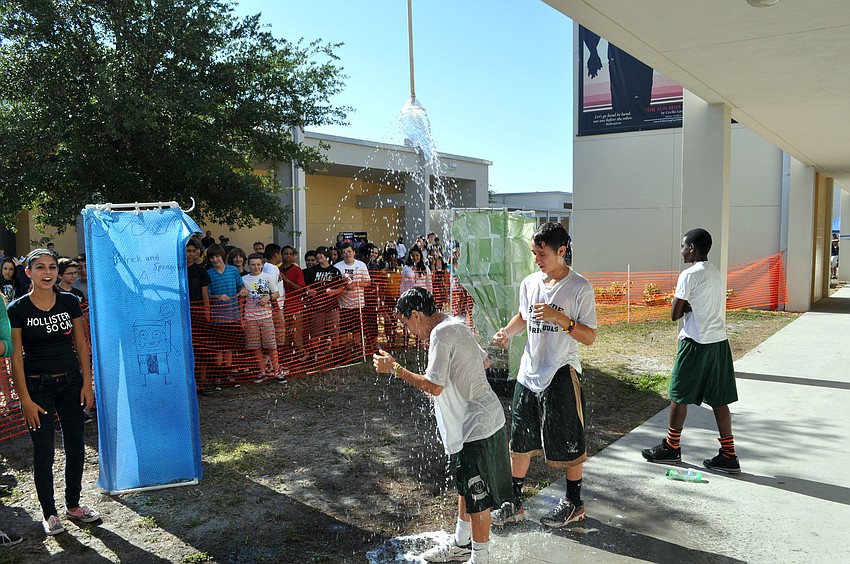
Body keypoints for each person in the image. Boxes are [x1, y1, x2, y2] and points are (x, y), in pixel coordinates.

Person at [373, 287, 511, 564]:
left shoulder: (440, 333)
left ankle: (481, 559)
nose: (410, 330)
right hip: (478, 420)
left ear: (416, 314)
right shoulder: (454, 323)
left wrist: (396, 368)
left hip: (477, 426)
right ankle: (461, 546)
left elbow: (435, 386)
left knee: (477, 496)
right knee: (466, 487)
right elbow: (482, 362)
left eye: (407, 323)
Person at [491, 222, 597, 528]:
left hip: (561, 371)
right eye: (534, 253)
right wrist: (507, 333)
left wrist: (560, 319)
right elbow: (523, 317)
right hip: (529, 372)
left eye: (542, 253)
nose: (536, 259)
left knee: (569, 440)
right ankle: (514, 502)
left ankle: (574, 502)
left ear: (561, 251)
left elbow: (589, 337)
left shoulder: (579, 287)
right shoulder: (529, 283)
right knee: (519, 441)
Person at [7, 249, 102, 536]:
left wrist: (88, 383)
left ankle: (73, 505)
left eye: (51, 267)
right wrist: (24, 399)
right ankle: (49, 513)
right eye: (39, 268)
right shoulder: (17, 309)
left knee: (76, 446)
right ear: (29, 272)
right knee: (44, 452)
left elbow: (81, 344)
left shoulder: (70, 301)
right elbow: (15, 358)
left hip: (72, 384)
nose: (47, 273)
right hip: (38, 390)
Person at [642, 228, 741, 474]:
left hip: (695, 342)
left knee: (678, 395)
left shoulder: (689, 275)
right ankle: (729, 455)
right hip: (718, 342)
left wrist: (686, 307)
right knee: (719, 400)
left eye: (684, 246)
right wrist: (689, 306)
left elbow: (674, 313)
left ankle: (671, 448)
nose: (682, 251)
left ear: (693, 248)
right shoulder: (715, 272)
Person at [241, 253, 281, 381]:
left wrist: (268, 297)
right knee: (255, 346)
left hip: (266, 316)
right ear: (248, 265)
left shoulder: (268, 277)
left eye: (258, 264)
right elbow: (241, 299)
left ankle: (277, 371)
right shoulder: (244, 279)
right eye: (253, 264)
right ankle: (262, 371)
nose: (256, 267)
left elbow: (276, 293)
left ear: (262, 265)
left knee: (271, 345)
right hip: (250, 317)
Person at [206, 243, 245, 374]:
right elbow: (207, 295)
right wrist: (218, 296)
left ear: (222, 256)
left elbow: (241, 287)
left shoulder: (233, 270)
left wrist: (243, 291)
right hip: (217, 317)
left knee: (229, 347)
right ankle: (219, 373)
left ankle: (228, 372)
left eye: (217, 256)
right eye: (211, 258)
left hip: (233, 315)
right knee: (218, 348)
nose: (215, 260)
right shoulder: (208, 274)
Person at [333, 242, 371, 352]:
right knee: (344, 330)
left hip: (358, 303)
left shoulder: (361, 265)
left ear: (354, 252)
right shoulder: (337, 266)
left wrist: (356, 284)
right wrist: (344, 285)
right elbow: (335, 284)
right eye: (344, 252)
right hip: (343, 305)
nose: (347, 254)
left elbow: (368, 282)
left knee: (358, 330)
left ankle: (358, 350)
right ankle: (345, 352)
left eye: (349, 251)